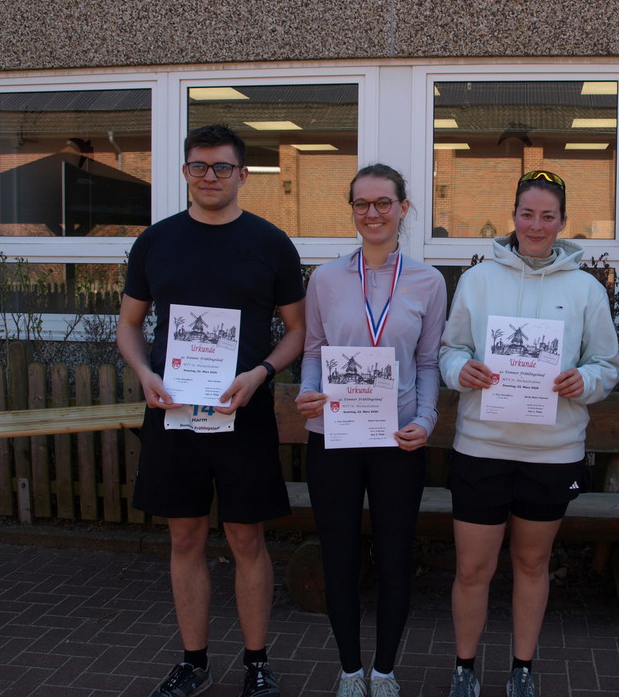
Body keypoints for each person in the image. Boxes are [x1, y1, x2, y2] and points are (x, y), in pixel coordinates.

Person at [117, 124, 306, 697]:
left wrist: (262, 372)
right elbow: (129, 325)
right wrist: (145, 373)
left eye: (222, 167)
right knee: (185, 539)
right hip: (173, 410)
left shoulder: (272, 243)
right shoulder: (156, 242)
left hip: (243, 412)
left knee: (247, 540)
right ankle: (193, 662)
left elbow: (297, 331)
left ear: (243, 174)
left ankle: (257, 663)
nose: (210, 176)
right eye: (199, 166)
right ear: (184, 172)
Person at [438, 171, 619, 697]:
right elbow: (451, 350)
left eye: (547, 216)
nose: (536, 225)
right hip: (482, 447)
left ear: (562, 222)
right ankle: (464, 669)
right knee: (472, 567)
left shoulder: (586, 289)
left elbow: (606, 365)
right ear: (513, 217)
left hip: (552, 453)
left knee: (532, 562)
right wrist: (461, 370)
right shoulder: (478, 280)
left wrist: (584, 380)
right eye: (527, 214)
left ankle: (522, 669)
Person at [295, 164, 447, 697]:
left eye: (384, 202)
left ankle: (383, 671)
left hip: (397, 441)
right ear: (352, 210)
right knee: (338, 556)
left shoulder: (428, 281)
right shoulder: (325, 279)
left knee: (395, 557)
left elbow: (427, 362)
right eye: (362, 203)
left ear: (403, 208)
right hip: (333, 435)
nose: (372, 213)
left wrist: (425, 420)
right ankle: (349, 670)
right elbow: (313, 352)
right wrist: (306, 390)